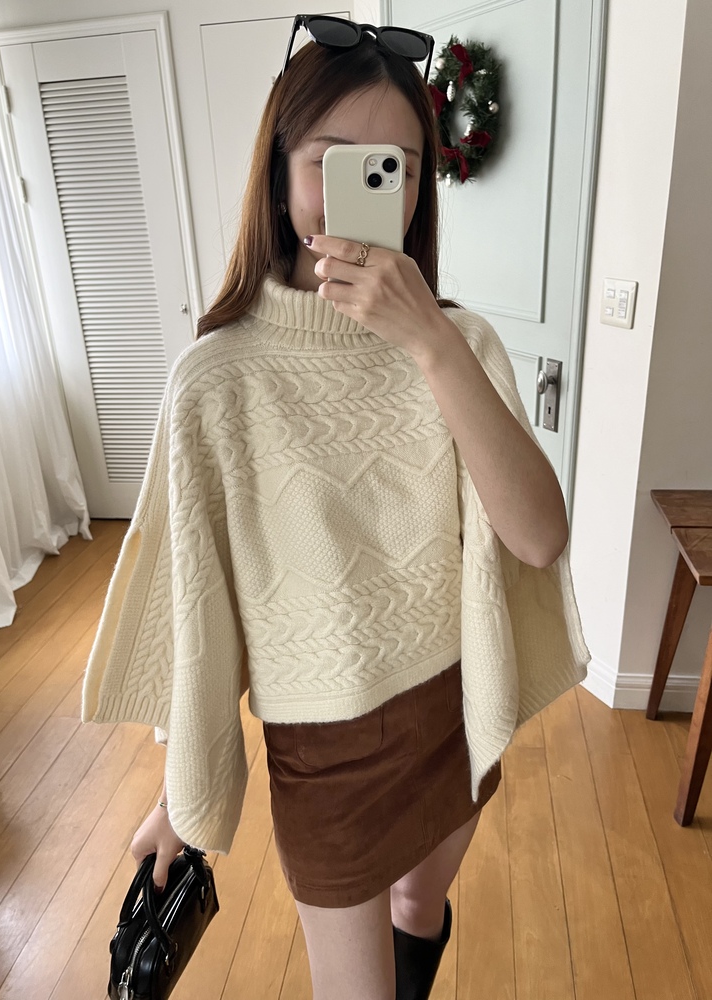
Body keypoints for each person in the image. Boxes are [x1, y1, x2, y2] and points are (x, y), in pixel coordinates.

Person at [82, 15, 590, 1000]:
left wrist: (430, 343)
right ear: (278, 175)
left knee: (420, 906)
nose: (367, 188)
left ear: (418, 189)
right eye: (331, 160)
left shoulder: (462, 347)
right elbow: (202, 606)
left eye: (394, 167)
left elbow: (538, 536)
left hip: (453, 705)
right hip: (324, 755)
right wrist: (181, 796)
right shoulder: (215, 380)